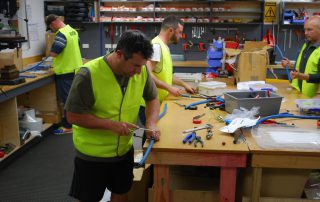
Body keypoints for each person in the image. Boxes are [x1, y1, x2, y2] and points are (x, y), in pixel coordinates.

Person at [65, 30, 161, 202]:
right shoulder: (88, 75)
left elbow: (152, 98)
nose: (139, 71)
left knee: (121, 192)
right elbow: (72, 116)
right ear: (119, 54)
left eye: (142, 65)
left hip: (124, 151)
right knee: (89, 198)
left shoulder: (142, 71)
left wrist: (151, 123)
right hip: (92, 156)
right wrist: (110, 125)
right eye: (135, 65)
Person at [45, 14, 83, 134]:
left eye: (51, 27)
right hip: (76, 69)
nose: (53, 30)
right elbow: (77, 46)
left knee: (67, 100)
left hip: (65, 72)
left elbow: (55, 52)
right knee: (74, 98)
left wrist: (49, 54)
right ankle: (75, 122)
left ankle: (68, 126)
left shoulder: (61, 34)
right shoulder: (72, 31)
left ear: (54, 23)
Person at [281, 15, 320, 98]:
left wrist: (301, 76)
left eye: (309, 30)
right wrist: (290, 64)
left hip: (312, 99)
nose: (305, 33)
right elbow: (305, 64)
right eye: (305, 30)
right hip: (299, 93)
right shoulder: (307, 44)